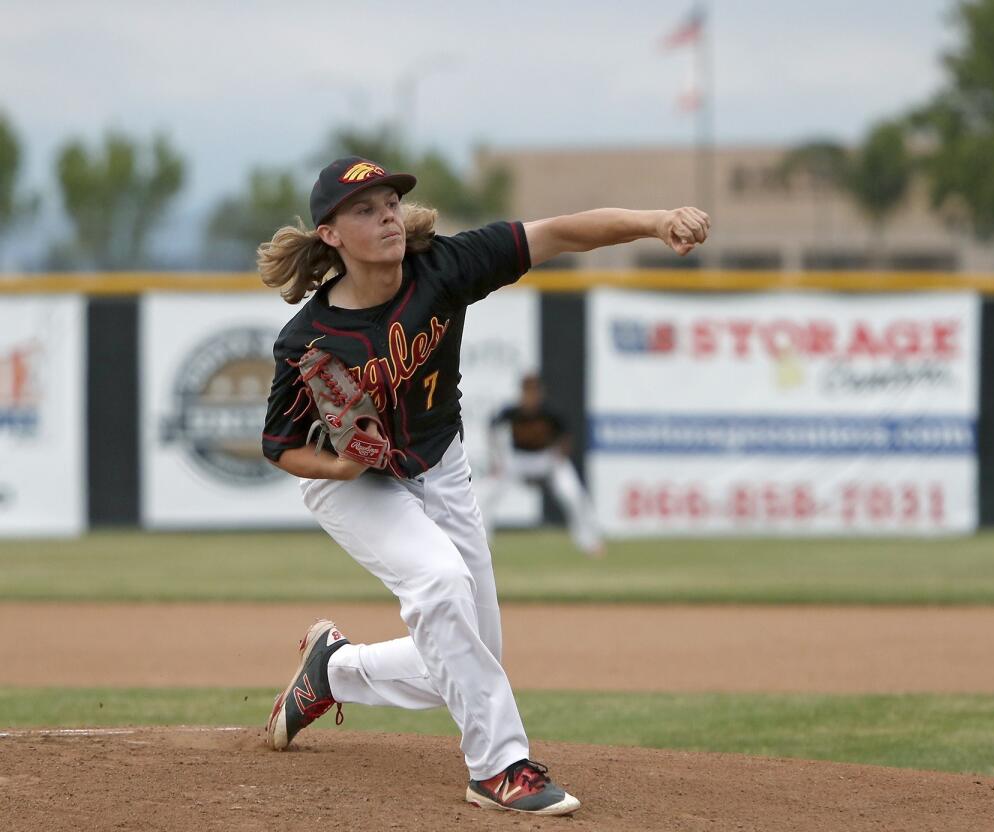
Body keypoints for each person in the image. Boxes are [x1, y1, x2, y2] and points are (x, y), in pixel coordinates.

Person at [256, 155, 709, 816]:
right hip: (355, 485)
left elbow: (558, 233)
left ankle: (333, 670)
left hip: (439, 463)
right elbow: (280, 446)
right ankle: (498, 769)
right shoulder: (308, 339)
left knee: (473, 658)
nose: (385, 215)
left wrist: (654, 220)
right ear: (329, 234)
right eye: (364, 209)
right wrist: (342, 467)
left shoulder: (444, 266)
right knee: (440, 585)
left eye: (389, 202)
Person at [481, 373, 605, 557]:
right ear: (521, 393)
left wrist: (561, 454)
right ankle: (482, 544)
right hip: (518, 460)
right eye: (526, 392)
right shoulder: (512, 412)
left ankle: (589, 541)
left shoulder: (550, 413)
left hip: (547, 459)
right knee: (486, 495)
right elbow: (492, 428)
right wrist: (497, 458)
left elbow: (565, 435)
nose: (530, 397)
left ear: (540, 393)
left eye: (534, 392)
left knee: (573, 495)